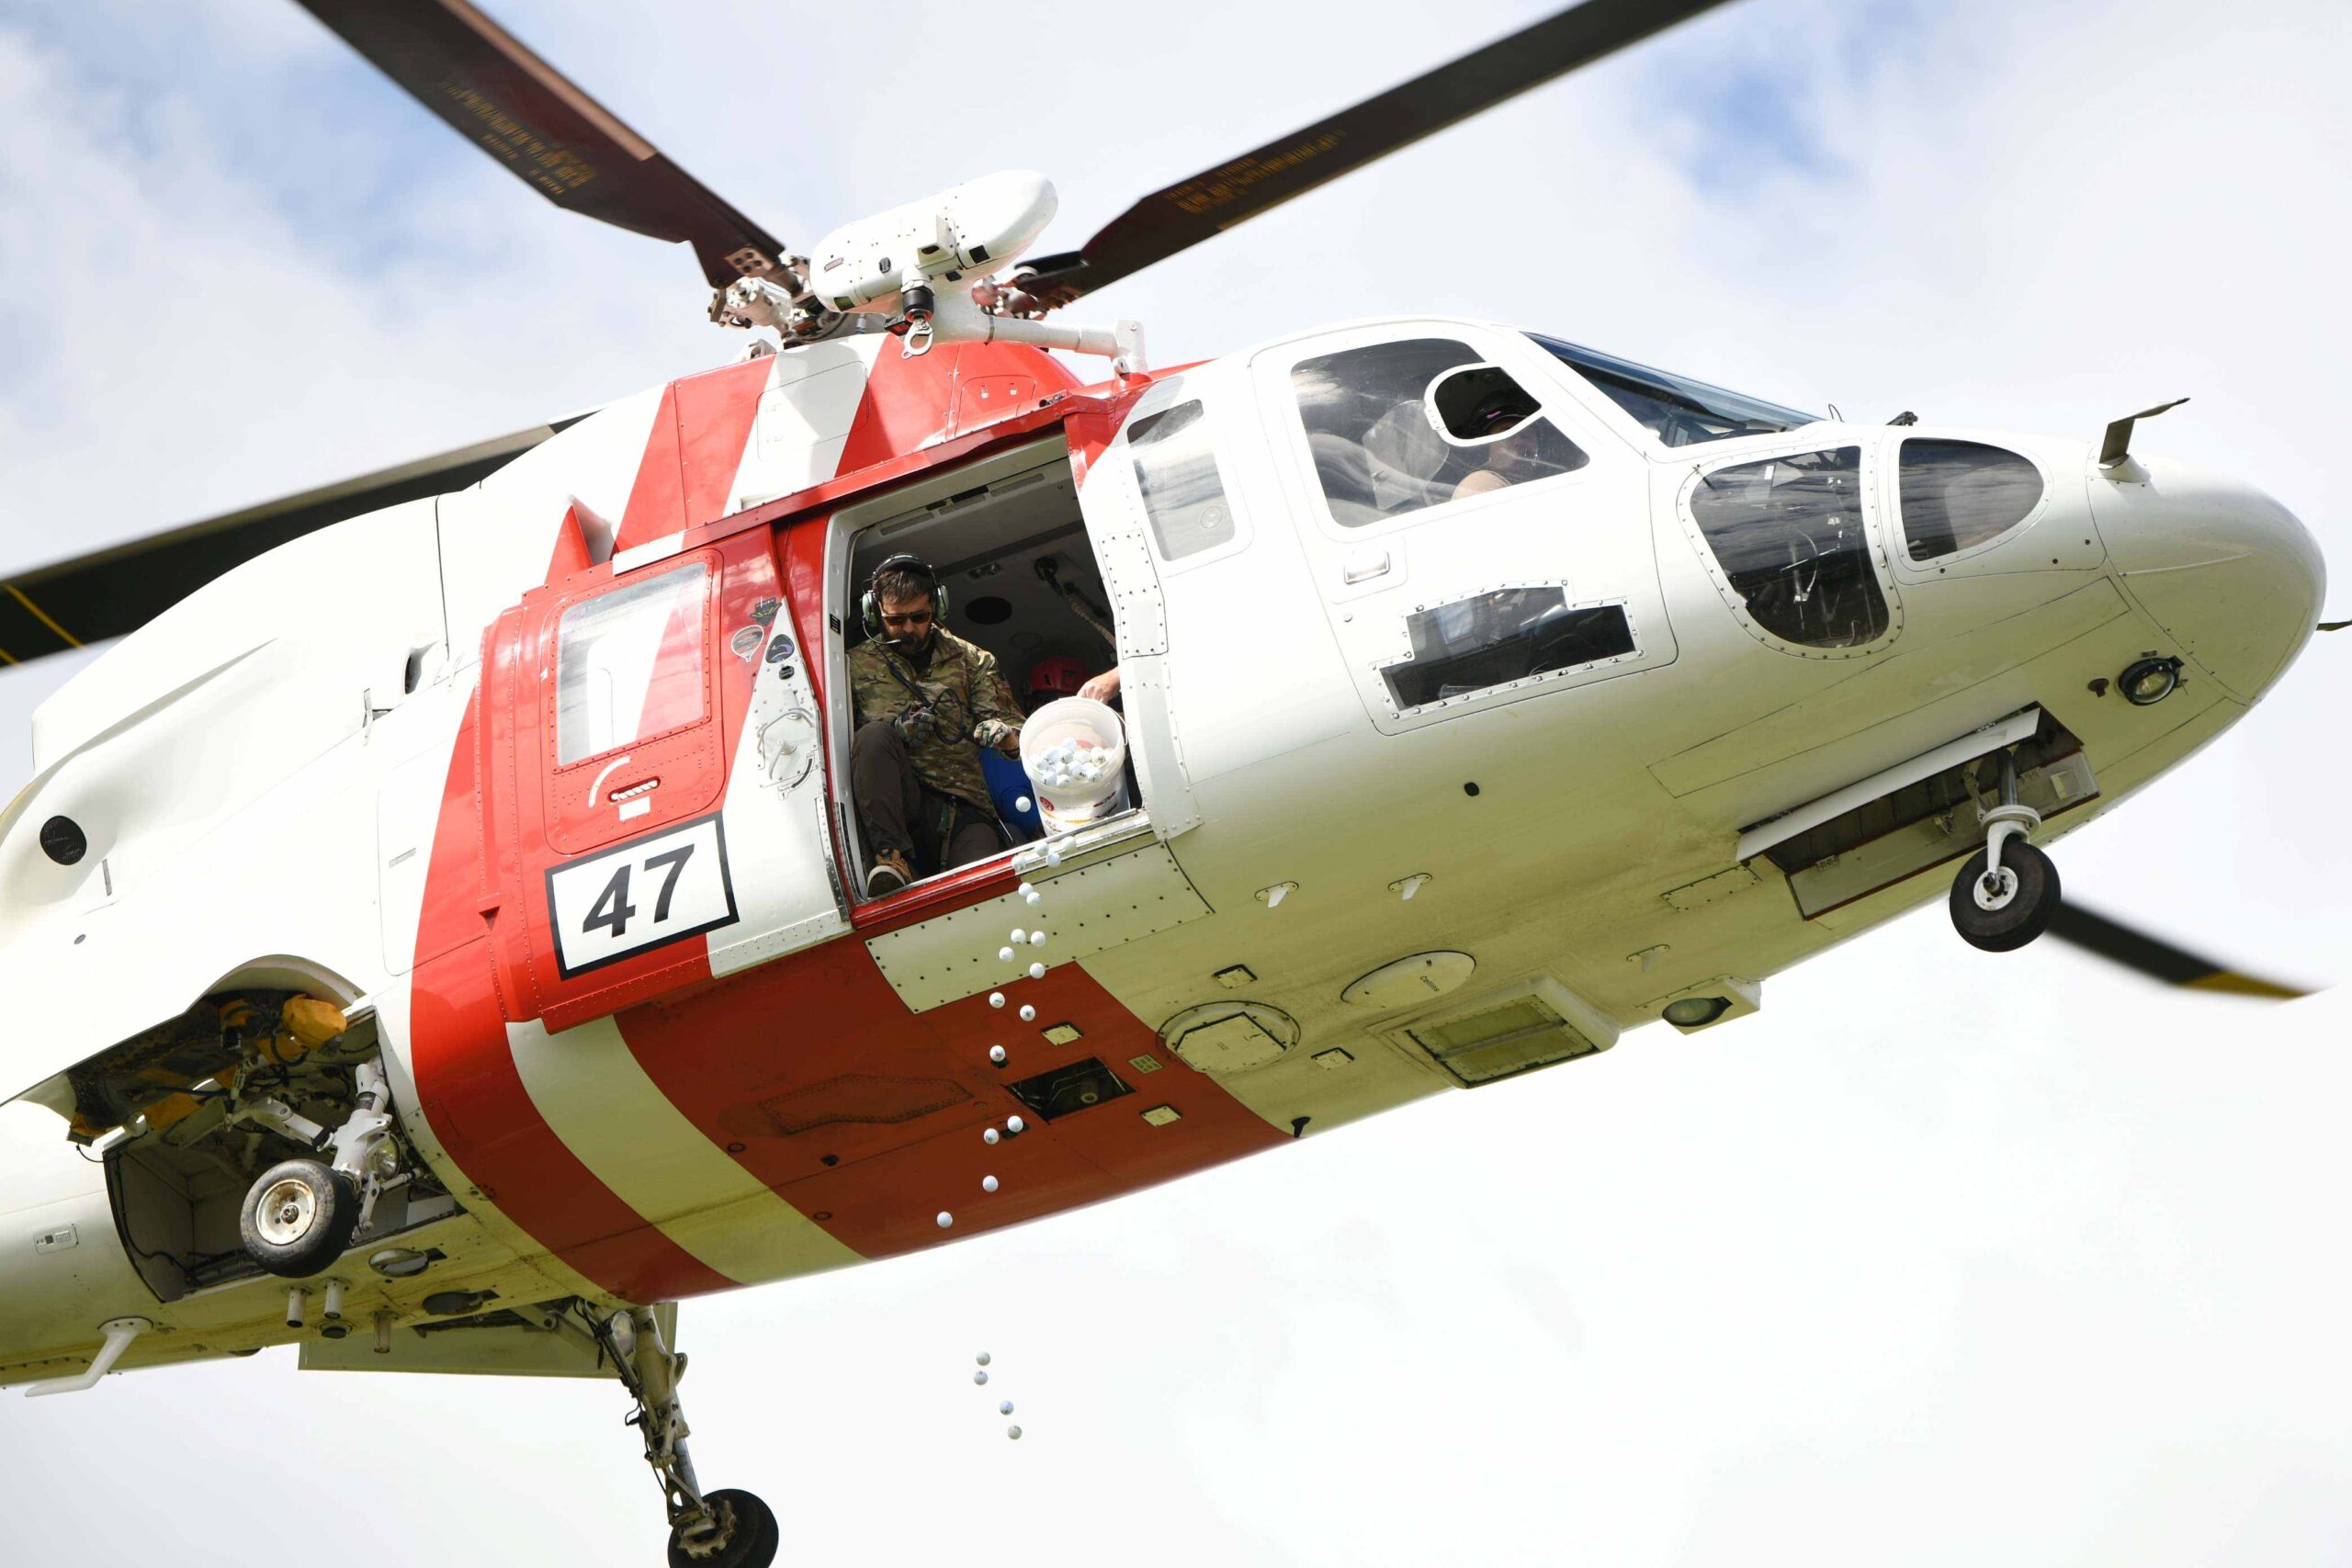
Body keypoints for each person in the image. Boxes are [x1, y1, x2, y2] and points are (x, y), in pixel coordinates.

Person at [848, 556, 1025, 895]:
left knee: (983, 889)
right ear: (875, 613)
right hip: (900, 804)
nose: (908, 629)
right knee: (873, 736)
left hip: (963, 805)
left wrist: (1005, 737)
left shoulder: (972, 660)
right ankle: (891, 858)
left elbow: (1017, 730)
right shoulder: (853, 667)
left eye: (919, 617)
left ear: (937, 607)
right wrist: (897, 732)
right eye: (895, 620)